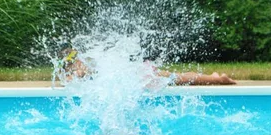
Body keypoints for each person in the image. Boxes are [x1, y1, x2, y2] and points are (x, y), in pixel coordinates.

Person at [60, 49, 237, 85]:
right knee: (178, 76)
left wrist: (70, 77)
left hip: (142, 76)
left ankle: (217, 79)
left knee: (178, 78)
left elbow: (72, 78)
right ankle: (215, 78)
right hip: (140, 71)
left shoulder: (81, 67)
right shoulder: (92, 62)